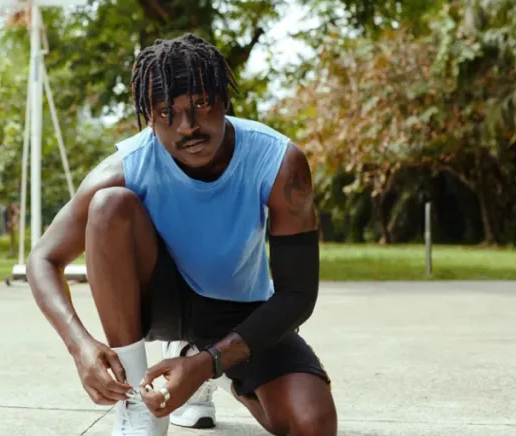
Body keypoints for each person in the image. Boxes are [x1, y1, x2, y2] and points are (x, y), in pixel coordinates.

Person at [24, 33, 337, 436]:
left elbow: (297, 296)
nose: (187, 127)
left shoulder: (278, 162)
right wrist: (80, 345)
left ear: (224, 100)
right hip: (159, 300)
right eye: (167, 113)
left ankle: (206, 367)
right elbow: (43, 258)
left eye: (201, 105)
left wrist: (208, 363)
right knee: (109, 206)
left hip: (239, 311)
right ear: (149, 118)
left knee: (309, 423)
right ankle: (139, 405)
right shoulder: (129, 166)